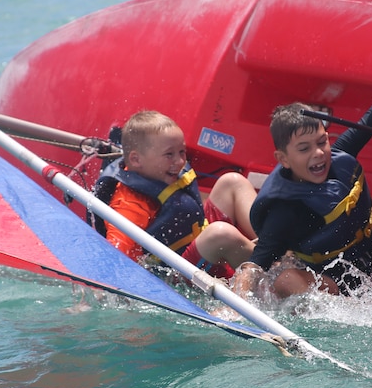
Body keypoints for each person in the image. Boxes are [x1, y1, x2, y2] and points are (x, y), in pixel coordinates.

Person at [231, 5, 372, 299]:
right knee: (287, 279)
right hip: (343, 282)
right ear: (284, 160)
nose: (318, 154)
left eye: (322, 142)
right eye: (304, 149)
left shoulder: (336, 155)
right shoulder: (284, 212)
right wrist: (232, 307)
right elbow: (253, 267)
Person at [95, 110, 257, 277]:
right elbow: (115, 260)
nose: (180, 161)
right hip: (177, 276)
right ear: (136, 160)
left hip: (198, 243)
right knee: (221, 234)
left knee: (232, 182)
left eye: (182, 152)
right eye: (169, 154)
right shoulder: (129, 206)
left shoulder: (160, 174)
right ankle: (272, 270)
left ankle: (275, 243)